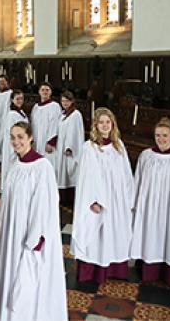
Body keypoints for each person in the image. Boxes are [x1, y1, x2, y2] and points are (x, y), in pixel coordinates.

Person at [0, 122, 67, 321]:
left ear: (30, 137)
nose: (16, 141)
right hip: (12, 232)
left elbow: (45, 203)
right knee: (11, 269)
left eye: (20, 137)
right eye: (13, 137)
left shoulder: (42, 166)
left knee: (28, 276)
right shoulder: (15, 165)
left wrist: (36, 237)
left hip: (31, 235)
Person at [71, 107, 134, 283]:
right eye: (101, 122)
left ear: (112, 124)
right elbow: (85, 177)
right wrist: (93, 200)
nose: (105, 125)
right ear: (95, 125)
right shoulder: (89, 148)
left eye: (108, 122)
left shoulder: (118, 145)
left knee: (115, 231)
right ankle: (94, 271)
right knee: (96, 233)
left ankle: (114, 268)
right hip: (99, 199)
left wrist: (129, 197)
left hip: (116, 198)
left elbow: (126, 172)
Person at [130, 117, 170, 287]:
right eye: (157, 135)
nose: (161, 139)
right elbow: (138, 181)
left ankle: (169, 273)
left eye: (165, 135)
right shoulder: (146, 156)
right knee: (150, 236)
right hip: (150, 206)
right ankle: (149, 270)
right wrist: (135, 205)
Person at [54, 91, 85, 189]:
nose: (65, 103)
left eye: (67, 101)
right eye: (62, 101)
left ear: (72, 101)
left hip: (70, 148)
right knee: (62, 173)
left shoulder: (76, 114)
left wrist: (70, 147)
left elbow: (76, 132)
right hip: (61, 146)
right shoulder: (63, 114)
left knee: (70, 172)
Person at [0, 89, 28, 190]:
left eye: (21, 98)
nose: (20, 101)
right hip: (14, 146)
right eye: (17, 99)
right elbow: (13, 133)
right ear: (12, 100)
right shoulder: (12, 114)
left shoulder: (20, 112)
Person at [30, 82, 62, 168]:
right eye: (42, 90)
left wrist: (51, 142)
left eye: (47, 90)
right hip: (37, 142)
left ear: (51, 92)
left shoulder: (54, 106)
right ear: (39, 92)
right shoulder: (35, 107)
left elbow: (55, 125)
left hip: (47, 143)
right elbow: (32, 125)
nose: (45, 92)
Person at [0, 75, 12, 168]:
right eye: (0, 82)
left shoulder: (10, 93)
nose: (2, 84)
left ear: (7, 82)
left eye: (3, 82)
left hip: (5, 121)